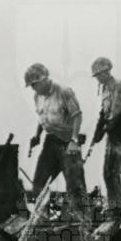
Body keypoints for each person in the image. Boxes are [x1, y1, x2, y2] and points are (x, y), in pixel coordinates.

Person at [25, 63, 89, 221]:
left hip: (67, 141)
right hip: (51, 141)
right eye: (31, 86)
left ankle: (82, 224)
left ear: (44, 79)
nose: (33, 89)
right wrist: (37, 136)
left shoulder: (64, 92)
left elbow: (77, 116)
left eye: (34, 84)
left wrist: (74, 140)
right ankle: (42, 220)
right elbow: (42, 118)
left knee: (75, 186)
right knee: (39, 183)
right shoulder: (37, 97)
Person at [88, 56, 121, 221]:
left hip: (120, 134)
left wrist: (105, 129)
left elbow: (117, 113)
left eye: (99, 75)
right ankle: (115, 205)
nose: (98, 78)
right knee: (107, 172)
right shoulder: (106, 89)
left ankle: (117, 207)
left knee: (113, 171)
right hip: (112, 134)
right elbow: (104, 113)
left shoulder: (117, 86)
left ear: (106, 72)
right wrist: (97, 133)